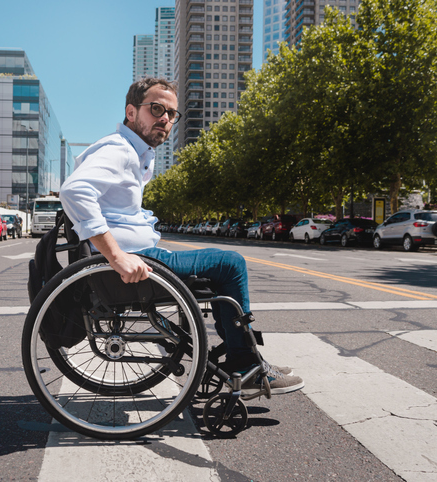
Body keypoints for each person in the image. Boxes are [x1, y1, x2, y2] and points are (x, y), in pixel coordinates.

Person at [60, 77, 303, 395]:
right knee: (230, 263)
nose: (165, 119)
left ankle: (242, 357)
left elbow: (117, 211)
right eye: (157, 109)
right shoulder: (120, 150)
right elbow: (74, 191)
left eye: (171, 114)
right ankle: (246, 364)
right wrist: (116, 256)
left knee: (218, 270)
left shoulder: (135, 152)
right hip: (137, 262)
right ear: (131, 112)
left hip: (141, 256)